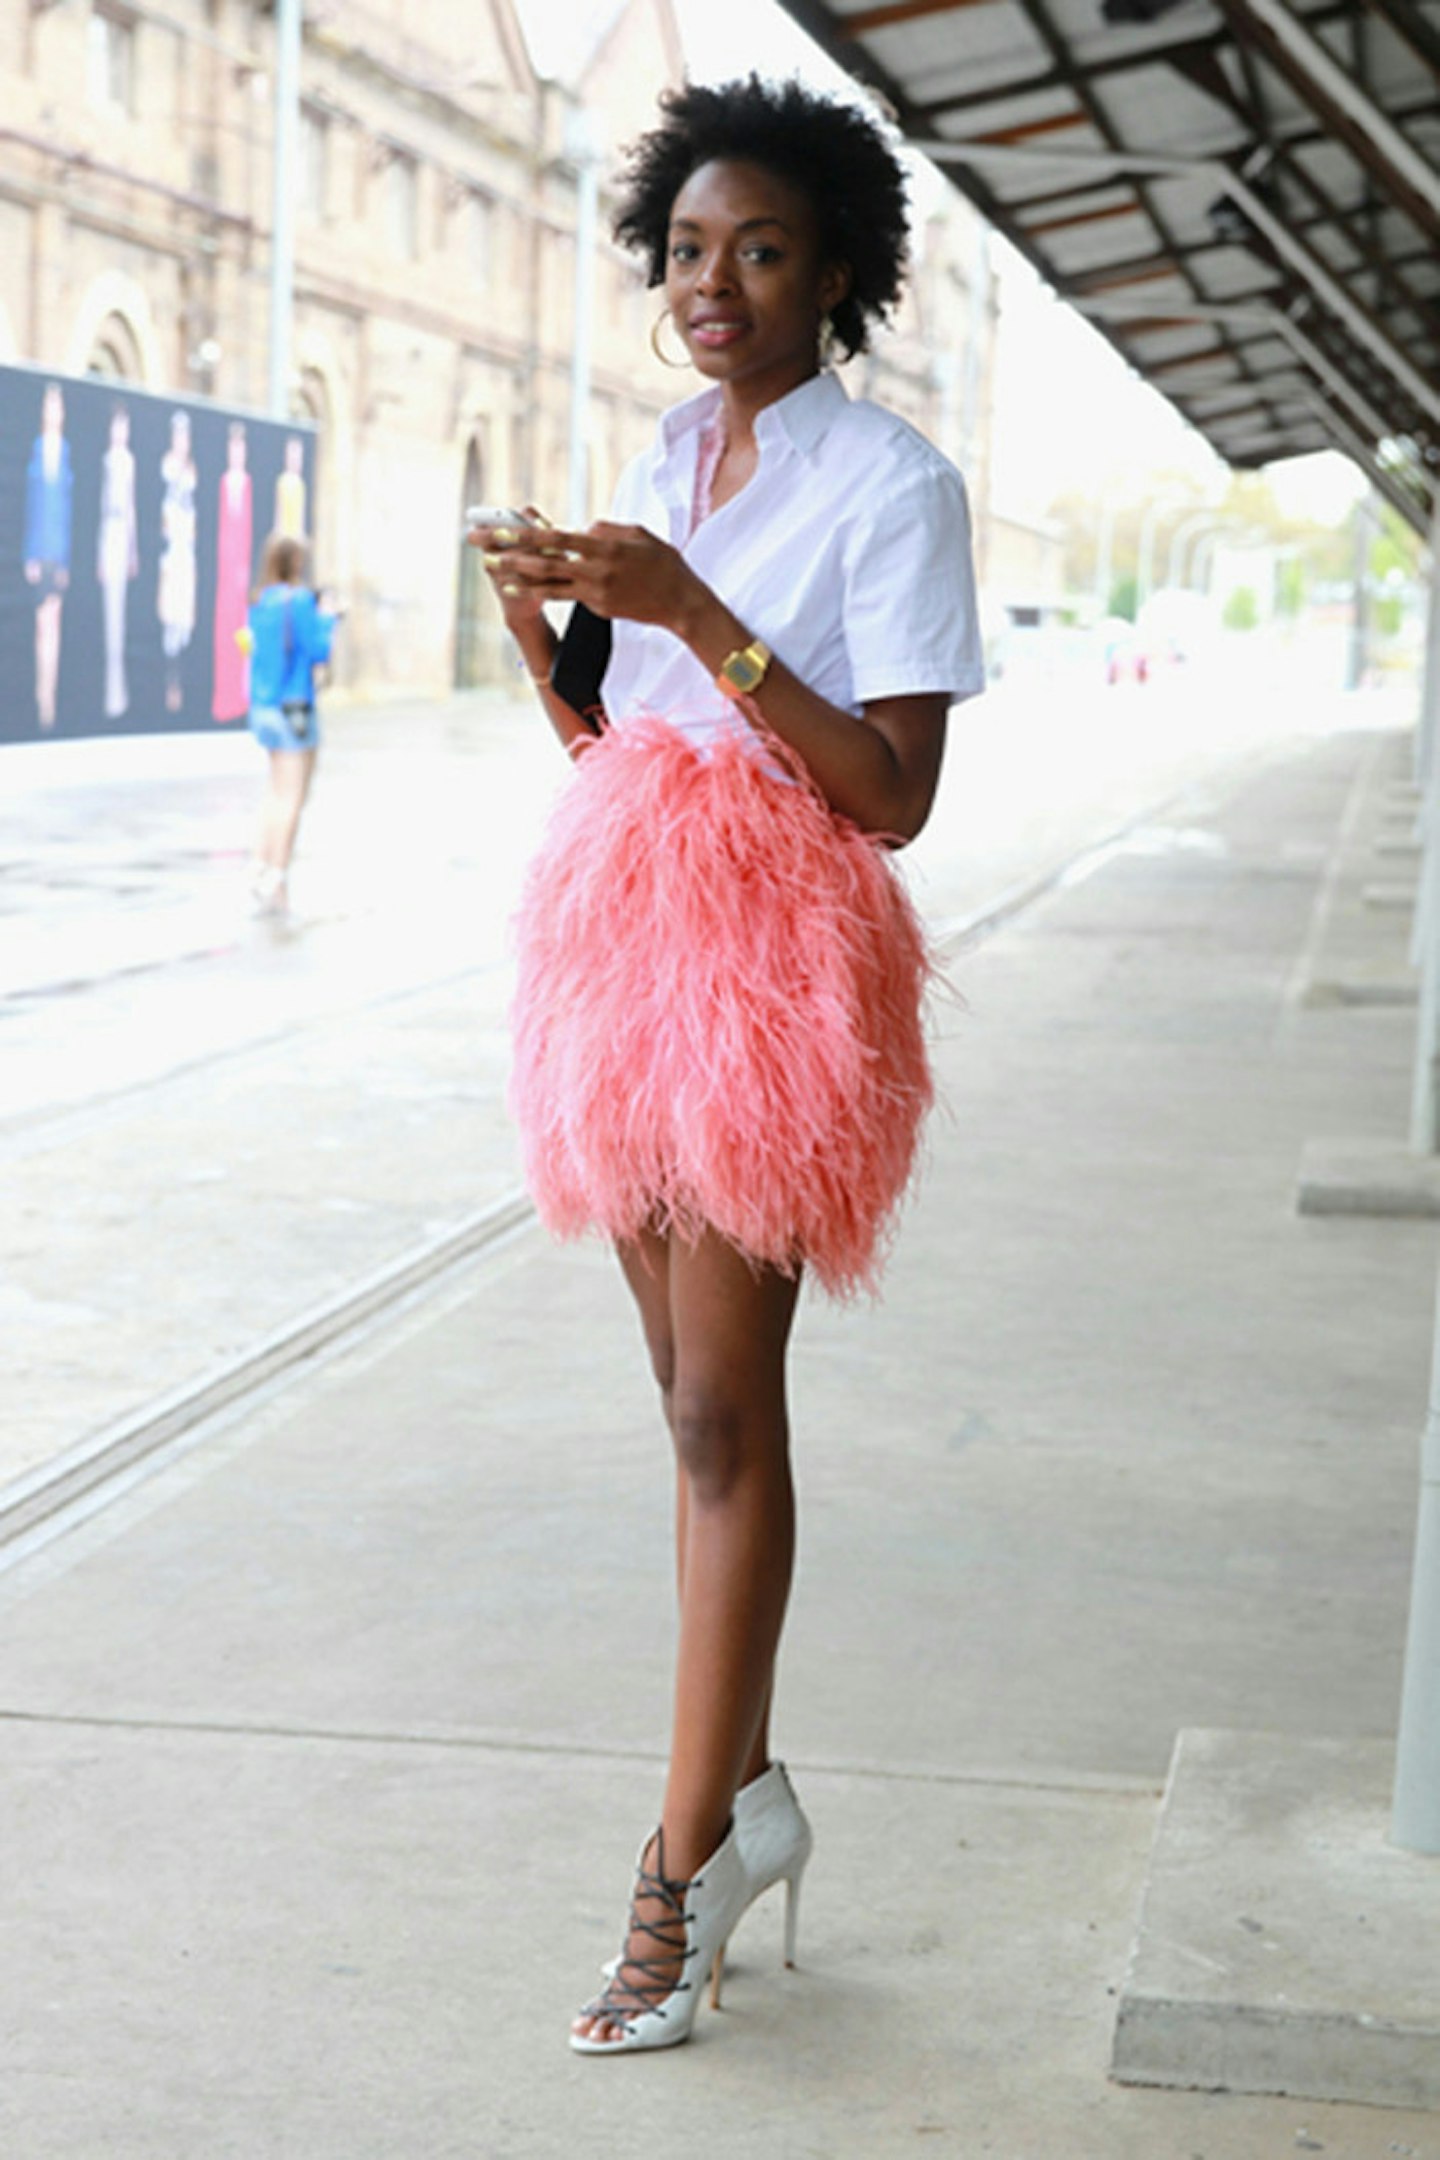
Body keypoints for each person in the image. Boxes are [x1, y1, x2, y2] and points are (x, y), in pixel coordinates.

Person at [470, 74, 983, 2057]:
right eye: (687, 249)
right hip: (628, 941)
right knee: (685, 1414)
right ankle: (747, 1801)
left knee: (717, 1407)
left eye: (760, 250)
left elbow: (892, 792)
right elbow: (625, 749)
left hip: (778, 962)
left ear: (835, 272)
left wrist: (694, 605)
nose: (714, 283)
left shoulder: (893, 484)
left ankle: (679, 1873)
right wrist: (547, 636)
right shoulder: (668, 456)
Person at [241, 532, 337, 913]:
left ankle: (259, 865)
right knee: (292, 796)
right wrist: (327, 619)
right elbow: (318, 650)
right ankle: (277, 875)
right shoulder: (298, 602)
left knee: (274, 791)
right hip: (293, 708)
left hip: (263, 706)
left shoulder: (260, 600)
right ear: (297, 561)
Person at [23, 381, 73, 732]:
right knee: (42, 625)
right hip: (40, 549)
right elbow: (33, 506)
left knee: (53, 623)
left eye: (58, 406)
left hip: (57, 550)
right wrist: (31, 554)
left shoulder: (65, 451)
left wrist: (64, 560)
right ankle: (41, 694)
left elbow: (65, 509)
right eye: (49, 406)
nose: (53, 412)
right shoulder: (38, 449)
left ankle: (50, 696)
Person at [96, 401, 139, 721]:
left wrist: (133, 550)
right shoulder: (106, 461)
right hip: (109, 536)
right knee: (108, 615)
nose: (120, 432)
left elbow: (131, 507)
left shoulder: (128, 462)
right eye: (117, 425)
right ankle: (108, 691)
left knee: (120, 617)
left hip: (122, 537)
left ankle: (118, 692)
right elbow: (102, 508)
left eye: (124, 426)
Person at [213, 420, 254, 724]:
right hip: (226, 567)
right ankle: (225, 695)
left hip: (240, 566)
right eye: (233, 448)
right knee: (225, 628)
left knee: (241, 628)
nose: (236, 454)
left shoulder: (247, 484)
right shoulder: (224, 482)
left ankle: (240, 695)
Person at [157, 410, 197, 715]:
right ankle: (168, 684)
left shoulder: (192, 470)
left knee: (184, 620)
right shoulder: (167, 468)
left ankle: (181, 684)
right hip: (171, 552)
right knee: (169, 619)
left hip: (186, 551)